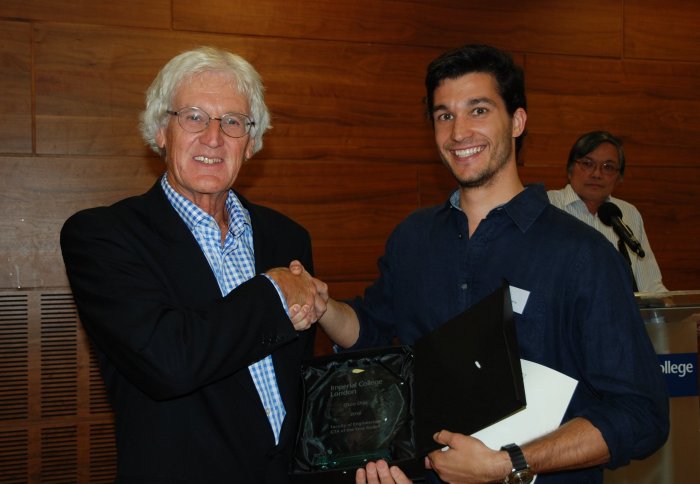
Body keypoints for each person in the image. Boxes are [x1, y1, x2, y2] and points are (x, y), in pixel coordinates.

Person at [309, 44, 669, 483]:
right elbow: (373, 331)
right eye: (444, 115)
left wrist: (508, 463)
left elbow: (639, 414)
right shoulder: (413, 238)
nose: (459, 132)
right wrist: (322, 305)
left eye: (478, 110)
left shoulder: (581, 255)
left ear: (517, 121)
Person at [60, 46, 326, 483]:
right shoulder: (103, 236)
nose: (214, 137)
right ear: (161, 130)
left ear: (252, 143)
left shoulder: (288, 238)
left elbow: (293, 385)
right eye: (194, 117)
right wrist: (274, 289)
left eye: (233, 122)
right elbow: (168, 361)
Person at [547, 131, 667, 293]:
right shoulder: (548, 205)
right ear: (570, 169)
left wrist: (671, 311)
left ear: (619, 177)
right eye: (587, 164)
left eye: (608, 167)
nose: (597, 174)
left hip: (617, 316)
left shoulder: (628, 213)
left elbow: (650, 286)